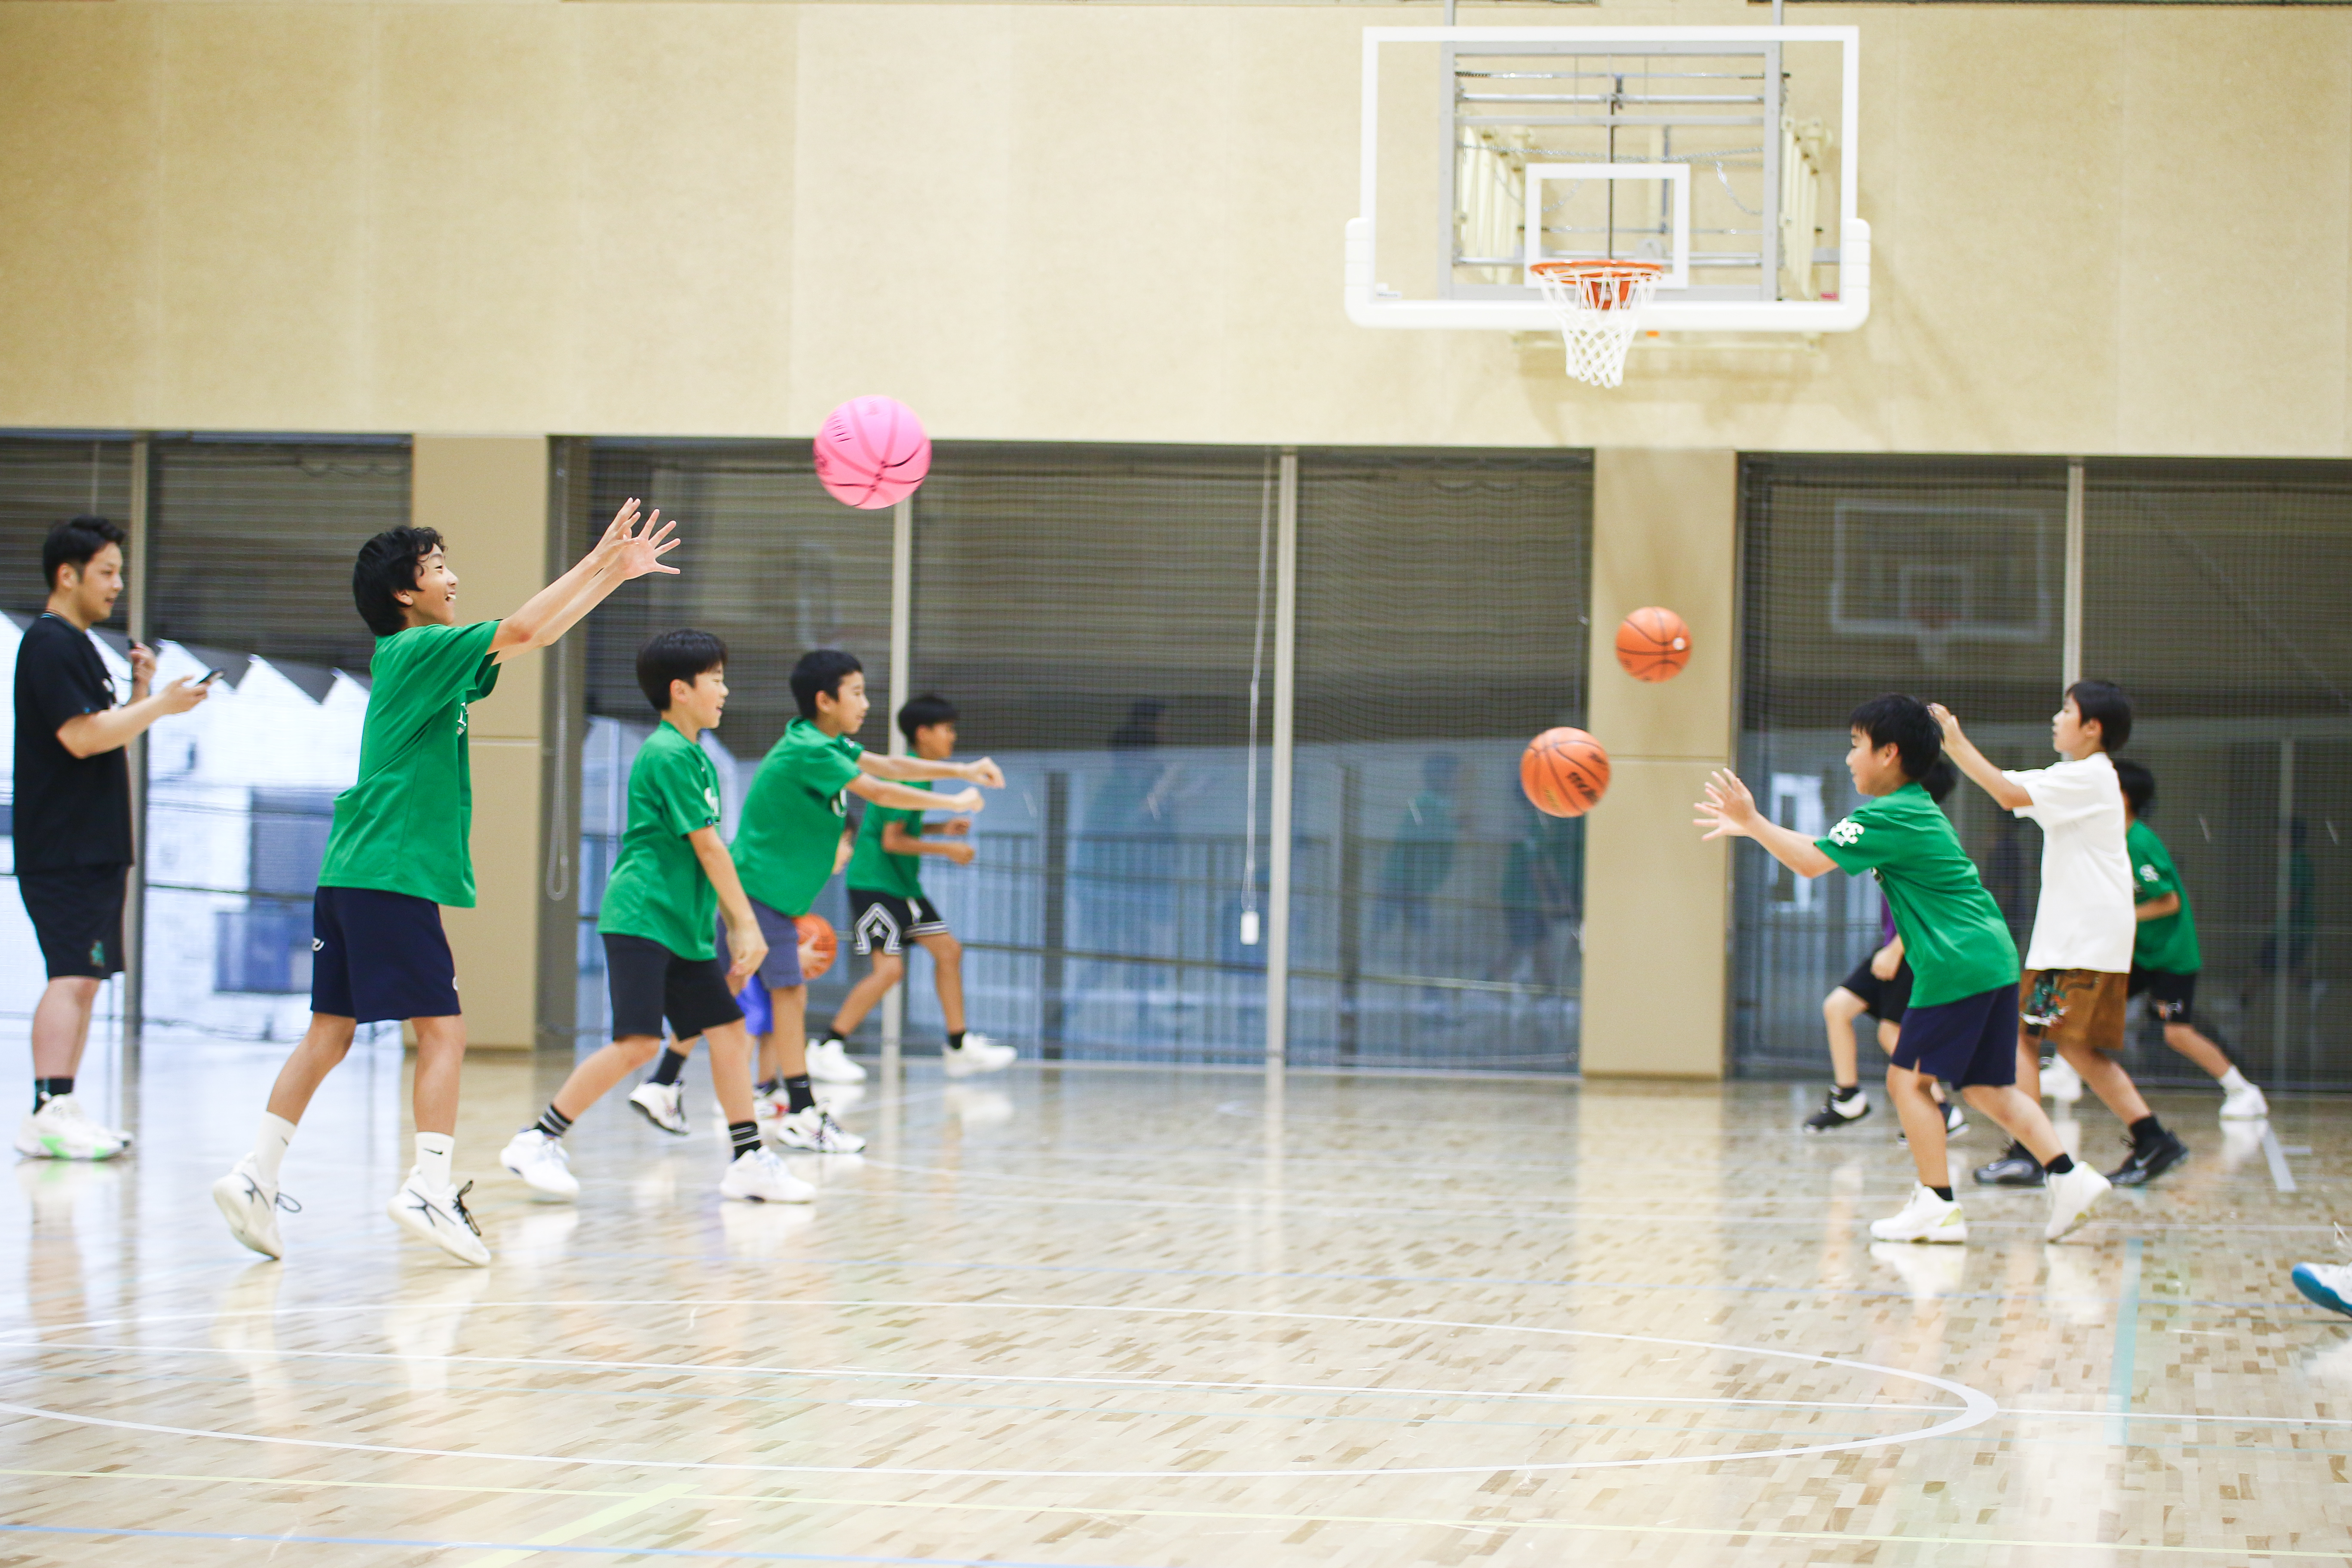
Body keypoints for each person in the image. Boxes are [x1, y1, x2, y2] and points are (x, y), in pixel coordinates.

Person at [212, 499, 680, 1266]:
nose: (453, 577)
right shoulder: (416, 648)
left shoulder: (425, 661)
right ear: (406, 591)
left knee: (329, 1032)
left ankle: (256, 1174)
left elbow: (541, 634)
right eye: (437, 568)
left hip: (355, 870)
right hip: (389, 872)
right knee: (445, 1031)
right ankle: (428, 1186)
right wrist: (598, 559)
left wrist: (612, 577)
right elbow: (526, 628)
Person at [1698, 694, 2110, 1245]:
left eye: (1855, 746)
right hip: (1988, 955)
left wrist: (1752, 821)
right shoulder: (1912, 807)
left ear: (1889, 753)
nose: (1849, 759)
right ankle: (2069, 1176)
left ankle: (1937, 1205)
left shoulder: (1889, 815)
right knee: (1986, 1088)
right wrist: (1753, 828)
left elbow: (1809, 862)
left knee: (1905, 1079)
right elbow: (1820, 851)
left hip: (1957, 962)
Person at [497, 630, 811, 1205]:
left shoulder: (696, 758)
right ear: (680, 690)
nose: (724, 689)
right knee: (640, 1043)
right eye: (715, 679)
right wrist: (744, 923)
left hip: (682, 928)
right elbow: (709, 848)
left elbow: (710, 854)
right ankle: (537, 1138)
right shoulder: (668, 754)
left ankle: (747, 1159)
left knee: (730, 1030)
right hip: (643, 917)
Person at [684, 649, 997, 1151]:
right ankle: (679, 1081)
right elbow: (883, 790)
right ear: (824, 700)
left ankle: (788, 1105)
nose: (866, 704)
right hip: (755, 892)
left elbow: (888, 765)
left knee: (771, 996)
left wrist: (964, 771)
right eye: (856, 692)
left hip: (771, 896)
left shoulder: (823, 743)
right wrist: (954, 800)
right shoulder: (809, 749)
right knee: (733, 996)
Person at [1934, 682, 2190, 1190]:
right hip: (2071, 941)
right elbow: (2008, 785)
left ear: (2092, 727)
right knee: (2062, 1046)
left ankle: (2036, 1151)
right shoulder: (2075, 777)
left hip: (2083, 943)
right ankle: (2148, 1137)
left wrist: (1953, 739)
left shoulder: (2093, 778)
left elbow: (2006, 792)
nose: (2057, 718)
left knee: (2029, 1041)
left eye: (2066, 710)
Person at [13, 516, 210, 1161]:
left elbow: (106, 732)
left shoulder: (80, 648)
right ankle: (45, 1107)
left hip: (94, 845)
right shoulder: (49, 644)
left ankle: (62, 1105)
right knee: (70, 974)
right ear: (66, 576)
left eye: (119, 573)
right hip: (63, 847)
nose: (116, 586)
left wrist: (144, 693)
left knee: (86, 977)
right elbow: (80, 737)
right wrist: (161, 705)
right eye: (105, 572)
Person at [811, 693, 1017, 1080]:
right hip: (875, 884)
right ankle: (827, 1045)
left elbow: (900, 830)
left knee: (949, 951)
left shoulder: (922, 771)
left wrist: (941, 829)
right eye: (948, 730)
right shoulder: (908, 773)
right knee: (888, 972)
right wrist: (946, 848)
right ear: (923, 733)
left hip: (902, 885)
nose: (953, 737)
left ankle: (958, 1045)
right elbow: (892, 841)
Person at [1805, 759, 1967, 1138]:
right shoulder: (1892, 824)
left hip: (1913, 950)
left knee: (1892, 1035)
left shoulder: (1920, 830)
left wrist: (1895, 949)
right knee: (1839, 1008)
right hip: (1896, 944)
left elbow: (1936, 912)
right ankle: (1848, 1098)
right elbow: (1821, 853)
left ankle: (1942, 1109)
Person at [2115, 759, 2269, 1121]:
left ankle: (2243, 1090)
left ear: (2122, 797)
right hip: (2143, 954)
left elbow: (2169, 901)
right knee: (2097, 1001)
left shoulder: (2138, 841)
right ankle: (2067, 1068)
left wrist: (2121, 918)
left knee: (2177, 1034)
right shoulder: (2115, 840)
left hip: (2171, 958)